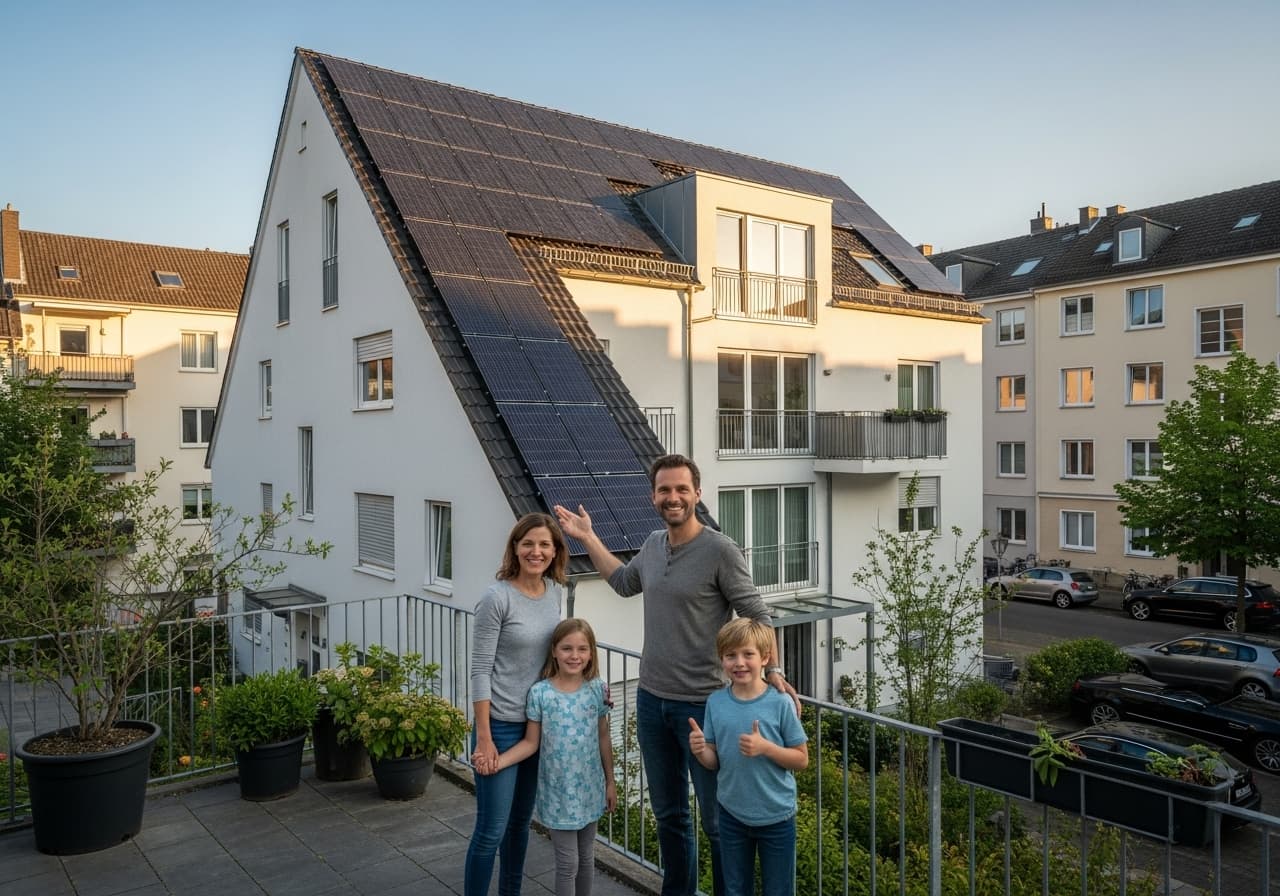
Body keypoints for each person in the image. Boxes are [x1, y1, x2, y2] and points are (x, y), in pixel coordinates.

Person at [555, 453, 797, 896]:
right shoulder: (651, 544)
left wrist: (774, 670)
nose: (673, 497)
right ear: (653, 496)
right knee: (669, 815)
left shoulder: (720, 550)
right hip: (651, 701)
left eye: (682, 489)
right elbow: (625, 582)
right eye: (665, 490)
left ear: (697, 494)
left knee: (717, 820)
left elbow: (757, 615)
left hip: (704, 707)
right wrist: (588, 536)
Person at [465, 512, 567, 896]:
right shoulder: (497, 598)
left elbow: (553, 660)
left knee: (520, 825)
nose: (536, 551)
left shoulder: (554, 594)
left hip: (535, 728)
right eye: (528, 543)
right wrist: (485, 738)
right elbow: (479, 671)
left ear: (555, 551)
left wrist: (588, 687)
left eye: (544, 544)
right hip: (501, 727)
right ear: (515, 548)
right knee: (490, 830)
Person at [484, 618, 617, 896]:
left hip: (590, 789)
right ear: (554, 651)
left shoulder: (597, 689)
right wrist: (500, 762)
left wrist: (610, 782)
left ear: (591, 652)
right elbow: (531, 743)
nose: (575, 655)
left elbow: (603, 737)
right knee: (568, 863)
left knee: (586, 857)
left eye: (582, 649)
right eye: (567, 648)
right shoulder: (541, 693)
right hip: (559, 794)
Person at [688, 619, 808, 896]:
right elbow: (713, 761)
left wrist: (766, 748)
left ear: (765, 658)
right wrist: (700, 750)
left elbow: (801, 759)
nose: (739, 662)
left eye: (748, 654)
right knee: (735, 889)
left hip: (777, 816)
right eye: (731, 655)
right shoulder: (716, 703)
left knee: (778, 890)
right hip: (732, 815)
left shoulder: (780, 703)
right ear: (722, 659)